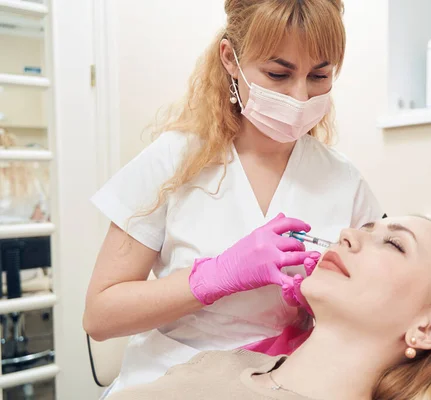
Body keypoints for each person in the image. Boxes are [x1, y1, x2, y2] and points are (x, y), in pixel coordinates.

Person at [83, 0, 383, 395]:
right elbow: (100, 316)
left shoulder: (344, 181)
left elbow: (377, 308)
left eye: (319, 76)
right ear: (230, 59)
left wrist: (317, 305)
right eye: (279, 73)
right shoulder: (174, 160)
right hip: (171, 380)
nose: (299, 96)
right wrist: (214, 277)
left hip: (286, 381)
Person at [107, 216, 431, 400]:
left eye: (394, 244)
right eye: (367, 228)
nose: (348, 234)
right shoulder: (229, 362)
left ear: (427, 329)